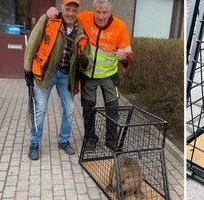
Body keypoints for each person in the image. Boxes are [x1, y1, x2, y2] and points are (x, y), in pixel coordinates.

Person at [47, 0, 133, 151]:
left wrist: (124, 57)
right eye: (98, 12)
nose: (101, 16)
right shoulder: (84, 18)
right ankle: (90, 139)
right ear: (93, 10)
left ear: (110, 11)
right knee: (88, 108)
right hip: (88, 74)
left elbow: (128, 54)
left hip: (109, 75)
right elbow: (68, 16)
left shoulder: (120, 27)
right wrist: (51, 12)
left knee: (112, 108)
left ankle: (111, 142)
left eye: (104, 12)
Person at [24, 0, 89, 160]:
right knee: (40, 109)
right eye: (68, 9)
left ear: (78, 11)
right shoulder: (48, 20)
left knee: (69, 110)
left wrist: (86, 61)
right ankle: (34, 143)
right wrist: (27, 68)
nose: (71, 13)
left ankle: (63, 140)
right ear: (62, 8)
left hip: (66, 76)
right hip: (47, 73)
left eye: (74, 10)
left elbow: (87, 54)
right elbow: (32, 42)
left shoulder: (80, 29)